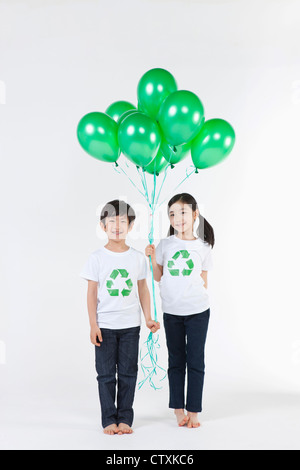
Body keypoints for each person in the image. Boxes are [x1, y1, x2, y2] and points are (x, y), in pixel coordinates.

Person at [80, 199, 160, 435]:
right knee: (105, 375)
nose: (117, 226)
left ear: (130, 226)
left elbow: (143, 290)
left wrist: (148, 318)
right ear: (103, 226)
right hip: (104, 326)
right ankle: (108, 419)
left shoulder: (136, 258)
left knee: (128, 373)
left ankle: (125, 417)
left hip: (130, 327)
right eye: (111, 221)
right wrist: (93, 324)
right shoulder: (96, 258)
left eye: (122, 221)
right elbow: (92, 293)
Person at [145, 193, 214, 428]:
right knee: (176, 360)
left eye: (183, 212)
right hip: (172, 313)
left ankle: (194, 410)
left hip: (198, 312)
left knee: (195, 360)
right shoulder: (165, 245)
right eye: (172, 214)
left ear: (195, 214)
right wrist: (153, 258)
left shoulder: (203, 247)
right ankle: (178, 409)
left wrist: (190, 296)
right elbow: (158, 276)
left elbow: (203, 281)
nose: (177, 218)